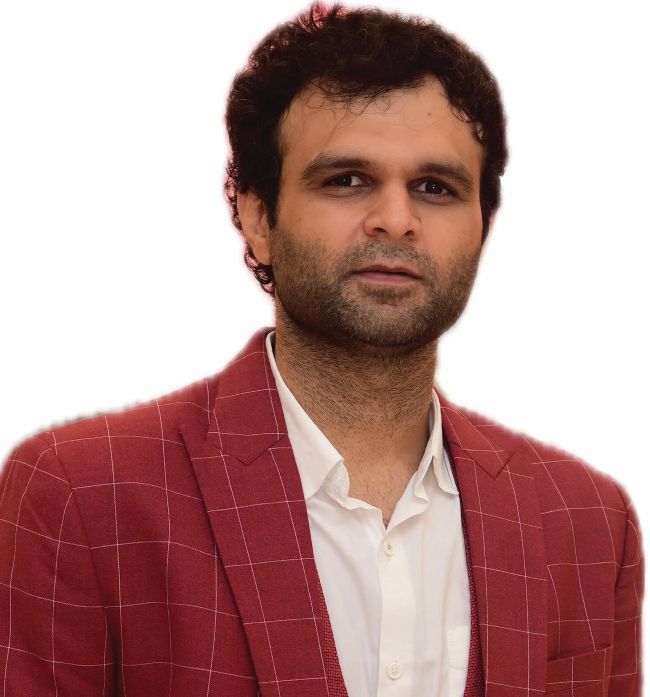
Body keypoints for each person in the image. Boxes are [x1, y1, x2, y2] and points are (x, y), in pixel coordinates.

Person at [0, 3, 643, 696]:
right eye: (347, 180)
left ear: (482, 224)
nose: (395, 219)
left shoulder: (587, 521)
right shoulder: (81, 495)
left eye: (435, 187)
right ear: (257, 217)